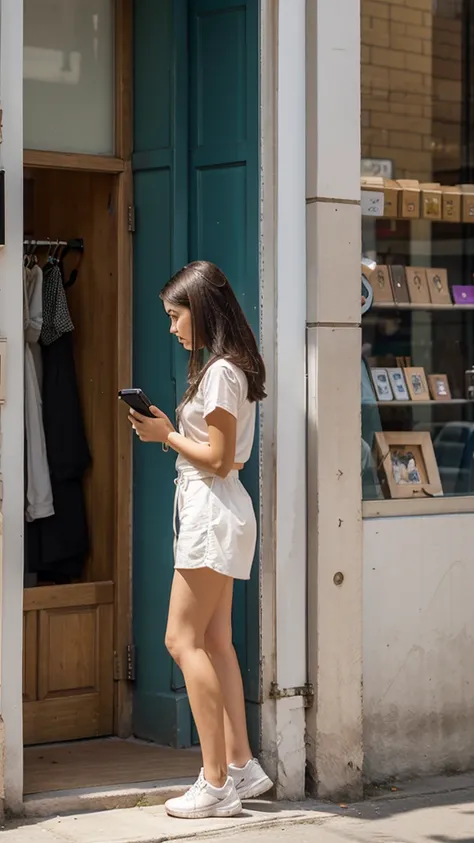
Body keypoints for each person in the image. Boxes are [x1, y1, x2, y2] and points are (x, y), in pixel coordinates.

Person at [128, 261, 273, 820]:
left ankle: (215, 783)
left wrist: (166, 434)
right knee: (215, 641)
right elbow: (223, 455)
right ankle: (241, 765)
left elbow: (217, 458)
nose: (171, 327)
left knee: (180, 640)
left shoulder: (218, 373)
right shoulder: (234, 368)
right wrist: (171, 432)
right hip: (222, 509)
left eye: (175, 315)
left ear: (200, 309)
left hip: (212, 512)